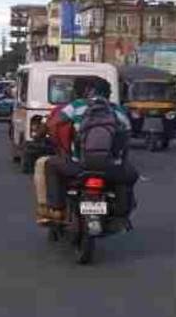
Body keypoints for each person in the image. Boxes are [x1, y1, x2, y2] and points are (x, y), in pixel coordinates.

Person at [38, 94, 139, 223]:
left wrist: (41, 135)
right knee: (130, 175)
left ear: (88, 91)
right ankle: (121, 212)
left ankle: (57, 208)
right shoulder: (118, 111)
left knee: (51, 166)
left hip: (80, 166)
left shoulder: (77, 106)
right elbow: (126, 138)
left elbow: (53, 123)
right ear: (108, 94)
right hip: (110, 168)